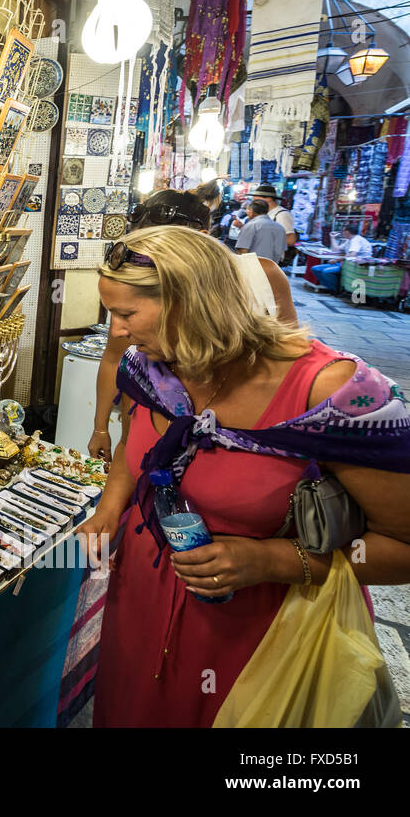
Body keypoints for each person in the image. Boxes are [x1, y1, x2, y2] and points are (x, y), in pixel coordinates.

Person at [82, 226, 410, 727]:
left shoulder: (331, 392)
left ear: (193, 304)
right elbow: (136, 442)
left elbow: (402, 546)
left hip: (258, 628)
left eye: (127, 314)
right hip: (144, 601)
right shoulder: (148, 367)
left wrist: (271, 559)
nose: (118, 331)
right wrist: (109, 510)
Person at [87, 187, 297, 461]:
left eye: (164, 250)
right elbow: (115, 358)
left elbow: (289, 358)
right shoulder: (140, 302)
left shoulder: (262, 277)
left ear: (201, 242)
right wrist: (101, 427)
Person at [312, 222, 374, 294]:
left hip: (354, 266)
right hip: (344, 263)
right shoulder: (349, 240)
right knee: (315, 269)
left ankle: (336, 290)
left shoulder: (356, 240)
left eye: (343, 231)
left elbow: (352, 255)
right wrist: (332, 238)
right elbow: (336, 249)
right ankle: (330, 287)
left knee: (326, 271)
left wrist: (336, 260)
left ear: (347, 232)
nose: (342, 232)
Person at [251, 182, 297, 260]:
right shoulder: (264, 212)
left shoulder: (282, 215)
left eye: (256, 201)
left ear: (268, 199)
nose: (254, 203)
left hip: (270, 258)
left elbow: (290, 240)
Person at [235, 200, 287, 265]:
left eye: (247, 209)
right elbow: (281, 252)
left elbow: (242, 250)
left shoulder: (251, 225)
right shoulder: (280, 228)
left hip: (252, 268)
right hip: (272, 269)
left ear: (251, 211)